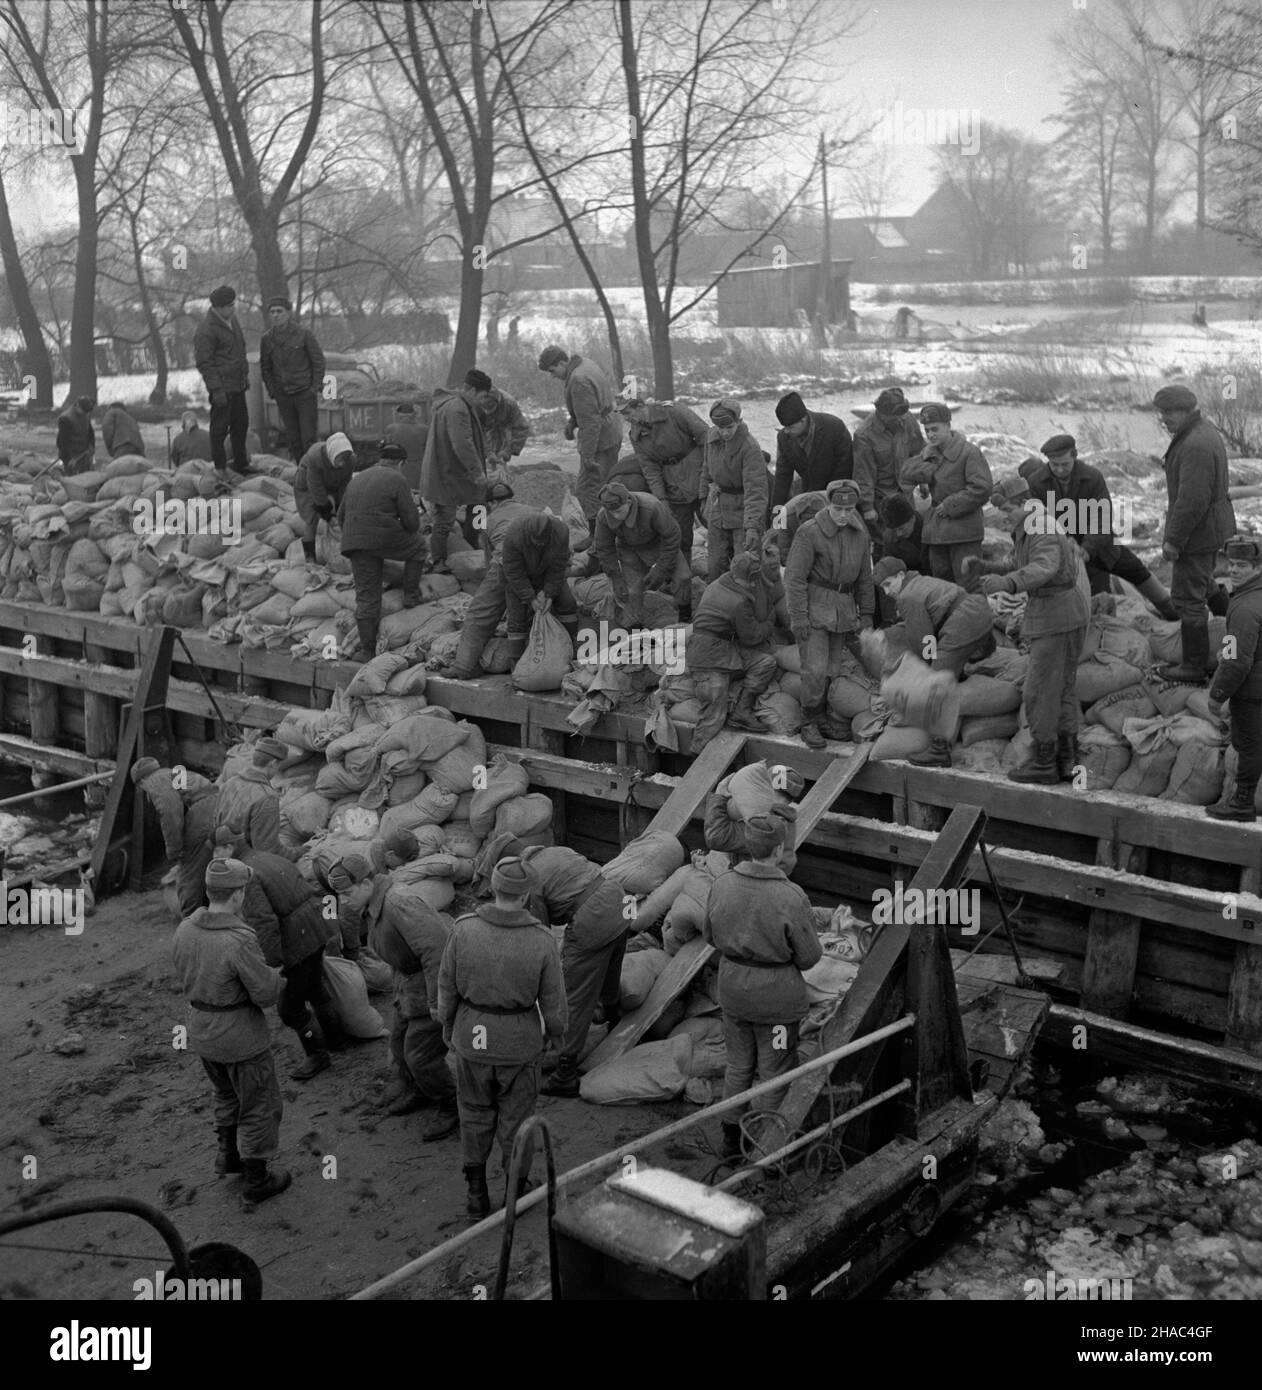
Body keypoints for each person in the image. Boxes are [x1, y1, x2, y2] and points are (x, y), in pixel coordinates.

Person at [437, 855, 566, 1217]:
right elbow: (553, 999)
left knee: (474, 1113)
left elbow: (446, 986)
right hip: (518, 1043)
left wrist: (448, 1025)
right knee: (517, 1119)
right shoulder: (541, 939)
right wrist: (557, 1036)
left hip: (472, 1036)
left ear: (493, 888)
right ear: (526, 897)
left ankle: (476, 1192)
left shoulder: (463, 929)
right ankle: (515, 1189)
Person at [459, 839, 628, 1103]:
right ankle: (614, 1013)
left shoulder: (529, 880)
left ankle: (565, 1073)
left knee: (573, 996)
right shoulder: (556, 850)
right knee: (608, 969)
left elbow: (537, 934)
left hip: (592, 915)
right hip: (622, 899)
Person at [701, 810, 821, 1160]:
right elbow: (810, 957)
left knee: (738, 1065)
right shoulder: (790, 896)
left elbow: (710, 936)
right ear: (779, 848)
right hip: (776, 1003)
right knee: (776, 1070)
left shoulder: (721, 884)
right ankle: (768, 1146)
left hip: (734, 992)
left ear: (748, 845)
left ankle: (729, 1140)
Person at [171, 856, 291, 1201]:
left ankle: (228, 1157)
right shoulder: (237, 939)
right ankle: (256, 1181)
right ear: (237, 895)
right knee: (259, 1103)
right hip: (240, 1036)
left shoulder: (184, 929)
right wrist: (276, 977)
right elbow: (265, 994)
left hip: (202, 1030)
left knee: (225, 1093)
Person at [966, 474, 1091, 784]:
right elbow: (1018, 560)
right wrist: (987, 567)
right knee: (1060, 687)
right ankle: (1066, 758)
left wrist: (1007, 584)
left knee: (1039, 690)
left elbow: (1043, 567)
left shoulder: (1042, 527)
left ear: (1023, 503)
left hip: (1057, 616)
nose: (1005, 518)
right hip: (1058, 613)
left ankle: (1046, 761)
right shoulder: (1031, 524)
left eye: (1008, 511)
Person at [212, 824, 338, 1082]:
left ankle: (318, 1054)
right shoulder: (268, 857)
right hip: (316, 925)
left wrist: (273, 963)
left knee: (290, 1007)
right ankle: (336, 1039)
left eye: (216, 851)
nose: (215, 858)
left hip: (297, 939)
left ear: (228, 848)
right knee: (315, 987)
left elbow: (264, 922)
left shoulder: (245, 874)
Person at [1019, 436, 1177, 617]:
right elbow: (1037, 521)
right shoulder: (1036, 482)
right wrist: (1061, 542)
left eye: (1065, 464)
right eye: (1055, 465)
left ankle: (1170, 611)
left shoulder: (1092, 477)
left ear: (1075, 456)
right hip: (1064, 549)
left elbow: (1102, 518)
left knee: (1137, 570)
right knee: (1096, 593)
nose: (1060, 469)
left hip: (1100, 544)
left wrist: (1087, 549)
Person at [872, 557, 996, 767]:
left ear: (901, 576)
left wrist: (926, 670)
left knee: (935, 685)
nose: (886, 592)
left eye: (888, 584)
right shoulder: (921, 581)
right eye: (882, 587)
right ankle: (957, 673)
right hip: (980, 611)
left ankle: (939, 750)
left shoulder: (908, 597)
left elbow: (924, 640)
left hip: (963, 621)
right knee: (948, 667)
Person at [365, 870, 461, 1139]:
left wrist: (437, 1001)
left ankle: (450, 1104)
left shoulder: (399, 903)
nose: (342, 899)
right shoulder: (373, 905)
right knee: (398, 1045)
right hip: (408, 987)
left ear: (365, 884)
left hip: (429, 986)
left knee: (421, 1056)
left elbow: (436, 950)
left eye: (347, 892)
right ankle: (420, 1091)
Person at [1153, 384, 1236, 684]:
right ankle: (1240, 625)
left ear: (1186, 410)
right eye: (1161, 412)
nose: (1163, 418)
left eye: (1169, 412)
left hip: (1198, 532)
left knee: (1187, 598)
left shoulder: (1195, 442)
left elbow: (1192, 499)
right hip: (1210, 528)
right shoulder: (1199, 432)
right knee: (1204, 583)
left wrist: (1174, 540)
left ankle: (1193, 667)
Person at [785, 478, 873, 750]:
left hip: (843, 610)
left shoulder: (860, 533)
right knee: (814, 669)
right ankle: (809, 720)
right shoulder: (809, 532)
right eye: (838, 509)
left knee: (832, 669)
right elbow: (794, 578)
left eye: (849, 509)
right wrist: (798, 617)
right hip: (814, 609)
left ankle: (823, 717)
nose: (844, 515)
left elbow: (865, 577)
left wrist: (867, 613)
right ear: (829, 505)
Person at [436, 483, 546, 678]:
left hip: (507, 563)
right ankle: (533, 663)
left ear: (492, 503)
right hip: (540, 563)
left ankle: (464, 667)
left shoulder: (490, 520)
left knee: (479, 614)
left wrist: (493, 596)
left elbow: (490, 564)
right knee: (532, 613)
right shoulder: (536, 511)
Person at [687, 552, 785, 749]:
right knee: (714, 716)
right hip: (708, 657)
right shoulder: (737, 601)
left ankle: (742, 709)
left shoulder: (718, 583)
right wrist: (770, 620)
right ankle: (696, 762)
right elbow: (753, 636)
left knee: (765, 662)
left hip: (723, 648)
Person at [340, 442, 426, 655]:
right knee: (419, 547)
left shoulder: (357, 478)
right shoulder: (397, 478)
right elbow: (412, 523)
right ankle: (410, 596)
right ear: (400, 463)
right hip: (381, 536)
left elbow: (341, 516)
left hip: (354, 541)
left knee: (367, 596)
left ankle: (367, 650)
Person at [898, 403, 992, 585]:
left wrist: (951, 505)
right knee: (942, 587)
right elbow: (905, 475)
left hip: (964, 533)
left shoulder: (969, 453)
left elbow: (982, 488)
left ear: (948, 426)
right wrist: (922, 484)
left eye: (935, 429)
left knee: (969, 585)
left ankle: (977, 614)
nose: (931, 434)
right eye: (927, 430)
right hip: (936, 533)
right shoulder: (928, 453)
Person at [1206, 535, 1262, 821]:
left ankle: (1241, 803)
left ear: (1257, 568)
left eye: (1243, 565)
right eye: (1232, 564)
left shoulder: (1243, 607)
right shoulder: (1251, 596)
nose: (1235, 570)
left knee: (1249, 745)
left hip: (1252, 691)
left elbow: (1236, 661)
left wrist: (1217, 695)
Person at [619, 395, 710, 564]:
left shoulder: (673, 412)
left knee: (715, 525)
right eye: (622, 415)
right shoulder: (636, 435)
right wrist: (662, 499)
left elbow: (706, 436)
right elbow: (650, 469)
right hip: (674, 487)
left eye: (627, 412)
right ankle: (685, 579)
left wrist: (709, 470)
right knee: (680, 535)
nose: (626, 418)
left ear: (640, 405)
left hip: (698, 474)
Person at [537, 344, 622, 524]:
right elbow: (593, 404)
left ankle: (598, 535)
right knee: (606, 485)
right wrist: (573, 422)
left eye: (552, 371)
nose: (552, 376)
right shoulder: (585, 363)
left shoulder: (578, 379)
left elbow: (591, 422)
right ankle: (609, 531)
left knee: (588, 491)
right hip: (611, 428)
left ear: (562, 362)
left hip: (601, 439)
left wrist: (588, 457)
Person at [420, 368, 492, 572]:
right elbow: (463, 444)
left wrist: (487, 455)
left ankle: (475, 544)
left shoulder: (456, 405)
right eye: (483, 396)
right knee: (444, 521)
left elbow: (474, 438)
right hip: (448, 474)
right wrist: (477, 473)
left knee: (478, 506)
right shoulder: (457, 408)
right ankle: (439, 561)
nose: (483, 401)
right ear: (473, 391)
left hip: (453, 472)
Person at [593, 481, 693, 626]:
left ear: (628, 502)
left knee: (683, 577)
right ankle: (636, 628)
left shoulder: (651, 506)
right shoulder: (603, 516)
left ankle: (685, 617)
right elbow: (604, 548)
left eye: (619, 511)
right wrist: (616, 577)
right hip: (629, 551)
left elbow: (672, 537)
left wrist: (660, 569)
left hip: (659, 544)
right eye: (612, 513)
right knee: (631, 592)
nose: (616, 515)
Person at [130, 757, 219, 917]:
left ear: (140, 781)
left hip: (202, 811)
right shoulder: (169, 773)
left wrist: (175, 849)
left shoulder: (154, 780)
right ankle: (210, 911)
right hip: (217, 806)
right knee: (207, 863)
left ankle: (191, 921)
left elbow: (170, 810)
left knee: (189, 871)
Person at [699, 397, 767, 581]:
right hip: (718, 507)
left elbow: (756, 491)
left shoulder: (750, 448)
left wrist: (752, 526)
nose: (725, 433)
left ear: (738, 422)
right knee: (715, 565)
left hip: (742, 511)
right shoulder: (711, 438)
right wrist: (703, 498)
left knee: (743, 567)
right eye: (721, 428)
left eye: (730, 427)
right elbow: (706, 469)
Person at [852, 387, 926, 542]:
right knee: (887, 540)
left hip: (906, 493)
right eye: (895, 417)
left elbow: (919, 451)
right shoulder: (864, 434)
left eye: (902, 415)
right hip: (881, 498)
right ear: (882, 414)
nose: (900, 420)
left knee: (910, 537)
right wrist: (867, 508)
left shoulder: (908, 419)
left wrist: (923, 479)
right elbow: (863, 474)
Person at [193, 285, 251, 478]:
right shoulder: (206, 330)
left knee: (241, 425)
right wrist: (216, 390)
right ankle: (219, 467)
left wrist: (244, 376)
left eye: (233, 305)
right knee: (219, 429)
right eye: (227, 306)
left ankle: (241, 462)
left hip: (238, 385)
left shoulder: (233, 321)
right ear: (216, 308)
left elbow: (240, 349)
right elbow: (205, 363)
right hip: (222, 388)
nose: (232, 309)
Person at [259, 295, 325, 462]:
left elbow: (318, 361)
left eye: (279, 311)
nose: (275, 315)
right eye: (272, 312)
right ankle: (300, 472)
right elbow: (265, 368)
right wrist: (273, 390)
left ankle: (312, 471)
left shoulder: (303, 334)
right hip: (283, 396)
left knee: (308, 438)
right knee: (293, 439)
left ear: (288, 313)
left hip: (304, 394)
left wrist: (314, 388)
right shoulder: (267, 339)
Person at [704, 771, 804, 875]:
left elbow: (716, 838)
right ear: (791, 798)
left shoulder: (765, 822)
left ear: (765, 787)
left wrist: (719, 796)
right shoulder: (786, 818)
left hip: (746, 882)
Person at [769, 390, 854, 511]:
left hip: (840, 499)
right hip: (809, 500)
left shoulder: (834, 427)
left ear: (803, 420)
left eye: (790, 427)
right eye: (784, 427)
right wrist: (776, 512)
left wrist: (834, 503)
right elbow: (782, 477)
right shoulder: (783, 438)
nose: (786, 431)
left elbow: (845, 468)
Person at [294, 432, 357, 566]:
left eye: (345, 459)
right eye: (340, 459)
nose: (342, 463)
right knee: (312, 519)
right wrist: (327, 513)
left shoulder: (350, 462)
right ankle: (310, 558)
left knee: (342, 518)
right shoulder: (314, 459)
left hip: (332, 484)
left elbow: (345, 484)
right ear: (332, 453)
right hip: (307, 486)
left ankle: (344, 553)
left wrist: (341, 507)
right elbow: (315, 487)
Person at [215, 738, 286, 853]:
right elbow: (267, 849)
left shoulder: (230, 782)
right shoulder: (268, 797)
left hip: (221, 853)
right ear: (272, 764)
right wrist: (298, 852)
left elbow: (216, 821)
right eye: (278, 766)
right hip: (244, 862)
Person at [480, 386, 529, 470]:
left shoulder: (509, 404)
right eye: (485, 409)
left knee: (500, 456)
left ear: (497, 403)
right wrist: (487, 452)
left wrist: (508, 451)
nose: (487, 412)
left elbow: (521, 429)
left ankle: (500, 471)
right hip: (486, 427)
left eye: (490, 408)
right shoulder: (475, 404)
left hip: (503, 425)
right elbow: (476, 432)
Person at [385, 402, 428, 492]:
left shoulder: (391, 429)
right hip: (419, 471)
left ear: (399, 415)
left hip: (397, 470)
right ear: (414, 415)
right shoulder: (424, 430)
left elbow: (387, 452)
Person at [56, 395, 96, 473]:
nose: (85, 413)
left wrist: (92, 445)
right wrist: (68, 459)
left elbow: (90, 432)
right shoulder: (66, 419)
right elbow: (62, 443)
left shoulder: (86, 414)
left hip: (84, 454)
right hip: (71, 456)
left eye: (86, 412)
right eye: (83, 411)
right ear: (77, 405)